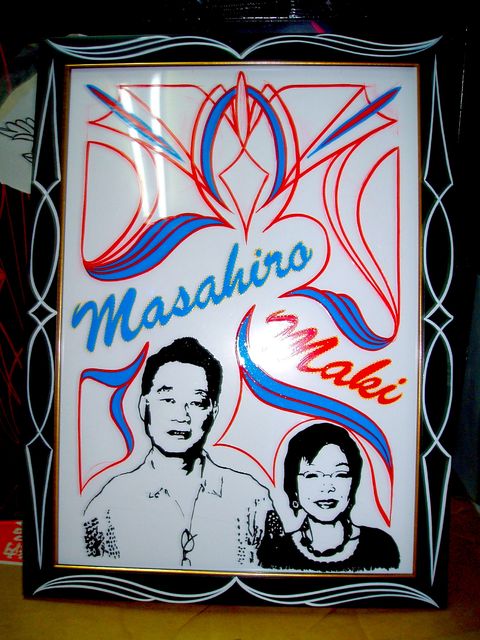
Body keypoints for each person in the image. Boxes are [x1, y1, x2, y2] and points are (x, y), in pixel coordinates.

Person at [83, 337, 272, 570]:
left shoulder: (253, 500)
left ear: (213, 412)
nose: (181, 416)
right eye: (168, 399)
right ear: (143, 406)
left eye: (196, 402)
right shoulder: (108, 505)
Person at [258, 423, 400, 571]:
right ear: (293, 487)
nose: (327, 487)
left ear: (353, 483)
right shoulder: (276, 553)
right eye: (312, 475)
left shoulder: (380, 546)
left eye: (340, 475)